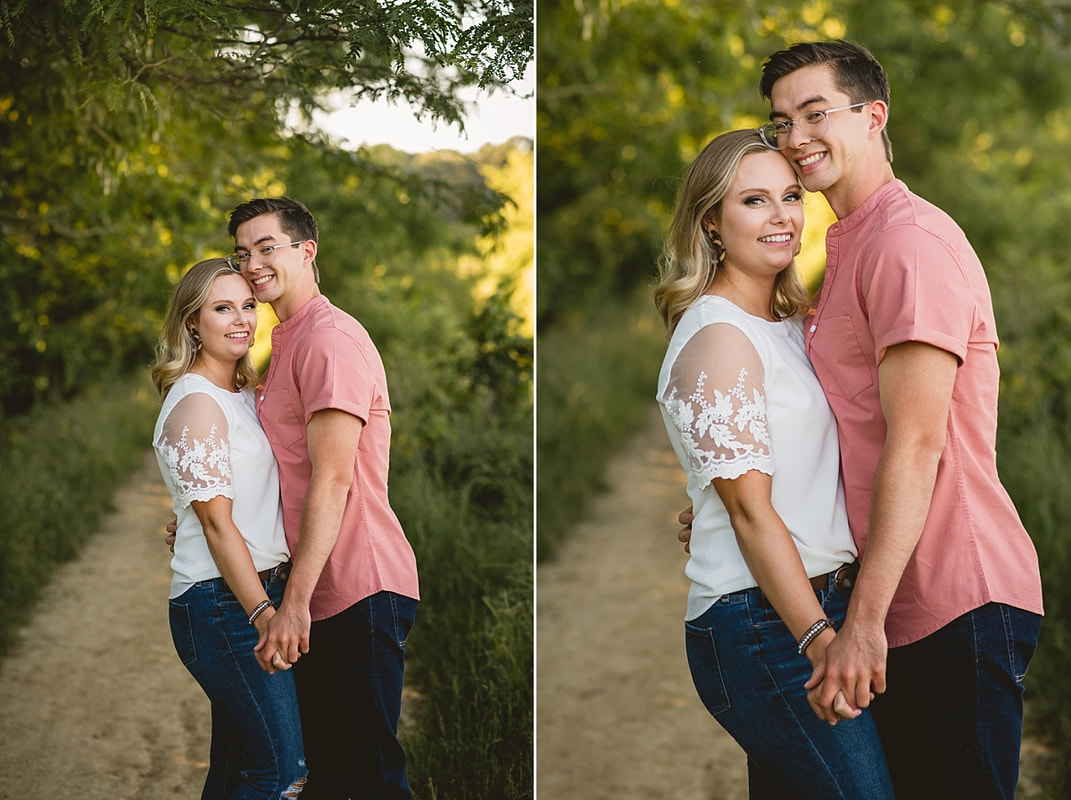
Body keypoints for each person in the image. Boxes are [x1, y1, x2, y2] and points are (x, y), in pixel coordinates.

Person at [681, 40, 1044, 799]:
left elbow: (916, 444)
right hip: (879, 601)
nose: (795, 135)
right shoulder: (842, 248)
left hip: (946, 594)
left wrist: (861, 624)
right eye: (779, 121)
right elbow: (833, 424)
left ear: (873, 116)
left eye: (815, 112)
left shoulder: (904, 244)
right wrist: (738, 493)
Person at [653, 129, 895, 799]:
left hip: (816, 598)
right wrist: (818, 639)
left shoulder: (787, 326)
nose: (782, 216)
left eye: (790, 196)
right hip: (764, 625)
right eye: (754, 201)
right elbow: (748, 510)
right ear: (711, 222)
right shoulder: (718, 335)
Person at [224, 197, 420, 800]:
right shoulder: (284, 339)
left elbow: (333, 478)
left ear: (307, 251)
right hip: (316, 588)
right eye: (242, 252)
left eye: (267, 247)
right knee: (328, 777)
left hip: (354, 586)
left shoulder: (329, 340)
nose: (252, 263)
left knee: (370, 779)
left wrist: (296, 604)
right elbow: (284, 472)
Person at [151, 258, 308, 799]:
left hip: (243, 594)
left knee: (240, 767)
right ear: (193, 322)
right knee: (281, 775)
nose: (242, 319)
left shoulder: (236, 394)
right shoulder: (197, 403)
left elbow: (232, 501)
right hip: (225, 606)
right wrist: (264, 614)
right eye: (223, 308)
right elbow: (218, 528)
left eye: (248, 305)